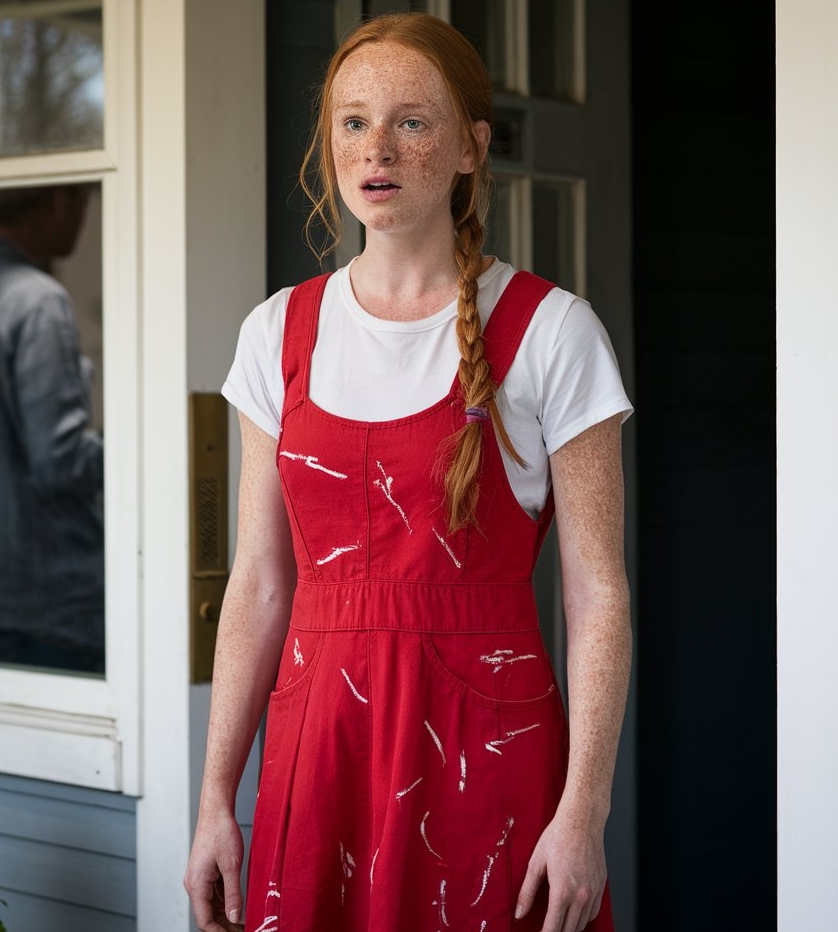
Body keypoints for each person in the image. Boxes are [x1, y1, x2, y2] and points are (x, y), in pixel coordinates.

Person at [185, 12, 632, 932]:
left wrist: (583, 811)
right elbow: (262, 584)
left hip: (484, 749)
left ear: (472, 147)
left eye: (411, 121)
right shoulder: (277, 334)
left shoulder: (550, 333)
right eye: (352, 122)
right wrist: (213, 802)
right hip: (321, 756)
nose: (376, 149)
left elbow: (597, 592)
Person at [0, 184, 104, 675]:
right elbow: (59, 460)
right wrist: (146, 444)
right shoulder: (38, 302)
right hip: (48, 602)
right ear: (58, 203)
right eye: (84, 202)